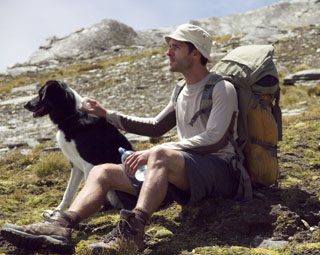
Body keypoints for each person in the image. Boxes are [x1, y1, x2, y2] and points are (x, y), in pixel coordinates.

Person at [0, 23, 240, 254]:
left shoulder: (220, 88)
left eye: (175, 47)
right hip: (183, 173)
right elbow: (156, 127)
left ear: (195, 53)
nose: (168, 52)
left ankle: (132, 232)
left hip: (221, 172)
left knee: (159, 153)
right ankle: (61, 226)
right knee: (101, 171)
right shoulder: (180, 90)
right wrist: (107, 114)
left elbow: (214, 138)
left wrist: (159, 151)